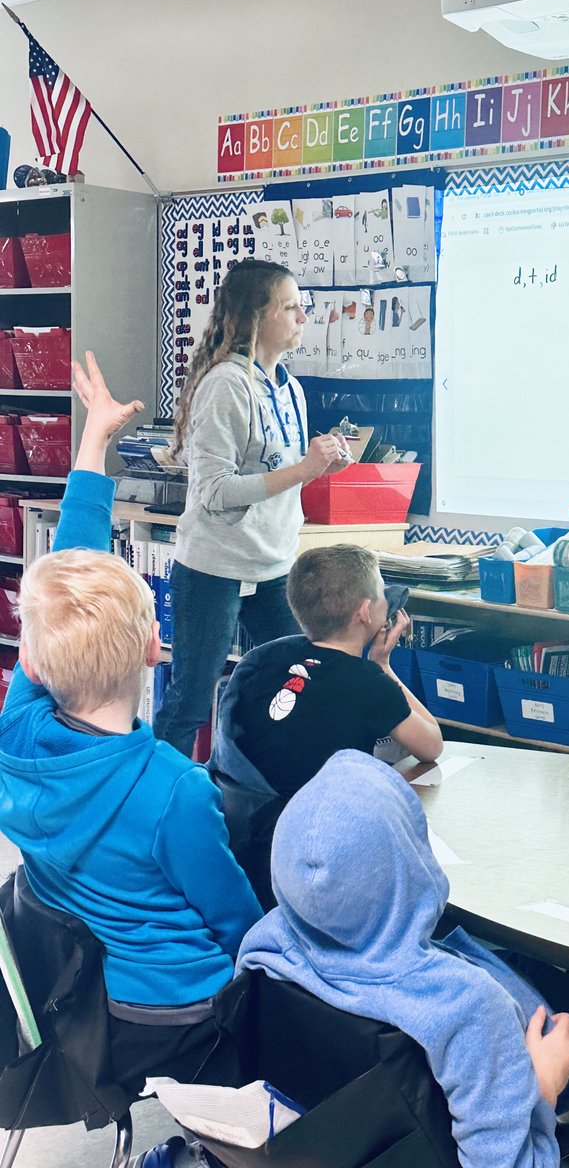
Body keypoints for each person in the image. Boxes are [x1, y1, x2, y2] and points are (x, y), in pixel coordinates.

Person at [238, 751, 569, 1168]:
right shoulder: (468, 1010)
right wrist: (542, 1086)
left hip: (376, 1113)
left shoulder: (265, 943)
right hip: (531, 1059)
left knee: (519, 958)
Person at [0, 353, 263, 1093]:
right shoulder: (175, 789)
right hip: (175, 1017)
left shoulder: (17, 730)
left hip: (75, 997)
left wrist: (94, 442)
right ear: (156, 648)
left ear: (34, 662)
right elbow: (235, 921)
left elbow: (72, 564)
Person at [154, 258, 350, 757]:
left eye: (303, 306)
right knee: (191, 700)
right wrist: (304, 469)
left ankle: (263, 782)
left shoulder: (291, 387)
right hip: (214, 568)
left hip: (273, 565)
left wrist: (321, 466)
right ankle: (157, 793)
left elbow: (278, 476)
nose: (303, 317)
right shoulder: (226, 384)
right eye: (291, 307)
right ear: (257, 318)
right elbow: (215, 491)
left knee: (293, 684)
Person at [210, 543, 443, 904]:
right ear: (365, 612)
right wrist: (383, 666)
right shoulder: (368, 683)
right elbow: (432, 745)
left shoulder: (262, 657)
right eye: (382, 593)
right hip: (311, 857)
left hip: (239, 847)